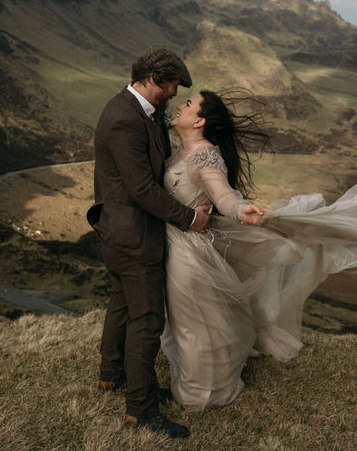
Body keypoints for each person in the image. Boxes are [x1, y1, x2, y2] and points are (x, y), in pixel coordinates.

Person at [161, 89, 357, 412]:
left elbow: (222, 195)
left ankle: (201, 395)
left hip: (188, 250)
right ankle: (200, 381)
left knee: (196, 321)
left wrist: (240, 209)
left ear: (200, 120)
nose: (180, 105)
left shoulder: (206, 155)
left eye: (188, 104)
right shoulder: (180, 150)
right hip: (172, 239)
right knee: (189, 318)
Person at [90, 47, 244, 438]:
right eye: (174, 85)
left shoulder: (136, 110)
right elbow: (141, 187)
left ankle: (112, 375)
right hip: (133, 234)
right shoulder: (124, 118)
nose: (176, 93)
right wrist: (191, 218)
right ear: (157, 79)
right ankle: (141, 410)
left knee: (122, 304)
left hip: (122, 232)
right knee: (147, 321)